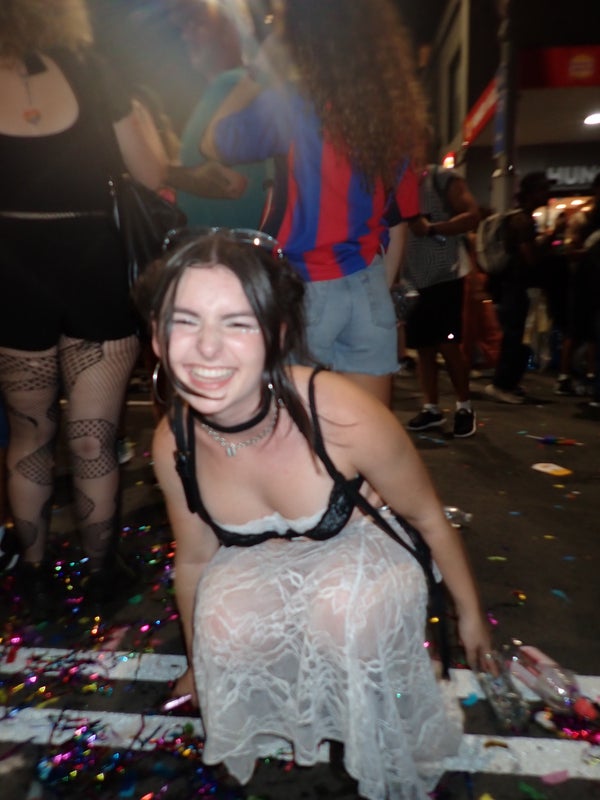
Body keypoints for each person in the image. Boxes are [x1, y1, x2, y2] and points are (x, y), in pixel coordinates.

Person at [141, 230, 492, 800]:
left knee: (342, 611)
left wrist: (469, 616)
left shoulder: (340, 412)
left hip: (364, 546)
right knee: (222, 620)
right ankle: (299, 701)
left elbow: (428, 517)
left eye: (237, 323)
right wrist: (199, 662)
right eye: (185, 321)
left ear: (278, 335)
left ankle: (395, 679)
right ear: (158, 336)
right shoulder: (173, 441)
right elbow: (196, 560)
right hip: (267, 560)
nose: (206, 348)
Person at [0, 0, 167, 618]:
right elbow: (151, 169)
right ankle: (100, 574)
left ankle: (35, 574)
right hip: (92, 264)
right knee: (94, 437)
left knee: (30, 433)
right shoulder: (92, 67)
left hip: (12, 270)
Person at [200, 0, 425, 407]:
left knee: (292, 430)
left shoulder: (290, 105)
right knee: (364, 428)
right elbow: (398, 222)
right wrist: (378, 288)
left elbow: (212, 142)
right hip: (369, 288)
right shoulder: (394, 117)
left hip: (303, 288)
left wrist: (256, 74)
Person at [166, 0, 275, 230]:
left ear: (231, 30)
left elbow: (225, 183)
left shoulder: (229, 86)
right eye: (184, 27)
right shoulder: (244, 90)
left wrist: (158, 172)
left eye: (197, 24)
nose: (185, 35)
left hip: (223, 245)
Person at [402, 163, 481, 437]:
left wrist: (432, 228)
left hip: (445, 276)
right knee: (423, 347)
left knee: (448, 344)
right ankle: (431, 408)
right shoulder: (397, 184)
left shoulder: (440, 178)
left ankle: (464, 406)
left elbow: (472, 216)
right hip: (413, 280)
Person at [484, 172, 554, 404]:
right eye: (543, 189)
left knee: (518, 336)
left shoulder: (521, 218)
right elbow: (529, 256)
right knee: (516, 337)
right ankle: (502, 384)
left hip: (515, 286)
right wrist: (546, 245)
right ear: (532, 193)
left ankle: (509, 382)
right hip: (517, 286)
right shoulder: (522, 221)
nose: (547, 194)